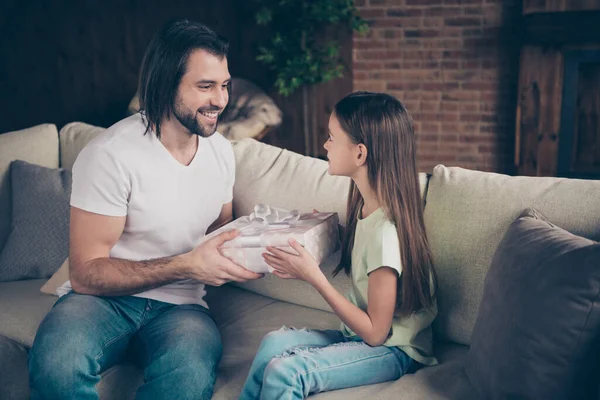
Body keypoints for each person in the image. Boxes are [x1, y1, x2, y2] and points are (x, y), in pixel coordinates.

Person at [28, 19, 262, 400]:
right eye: (205, 86)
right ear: (166, 84)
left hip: (182, 309)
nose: (220, 100)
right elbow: (86, 274)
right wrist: (186, 264)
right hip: (100, 302)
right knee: (57, 365)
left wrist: (269, 243)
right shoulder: (110, 155)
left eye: (224, 85)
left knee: (187, 380)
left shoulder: (221, 151)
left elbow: (221, 232)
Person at [239, 92, 438, 399]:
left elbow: (375, 333)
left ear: (360, 154)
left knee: (285, 372)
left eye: (332, 138)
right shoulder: (366, 208)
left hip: (393, 350)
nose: (325, 146)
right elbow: (362, 251)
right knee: (273, 344)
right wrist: (323, 231)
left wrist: (313, 277)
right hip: (362, 338)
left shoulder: (387, 235)